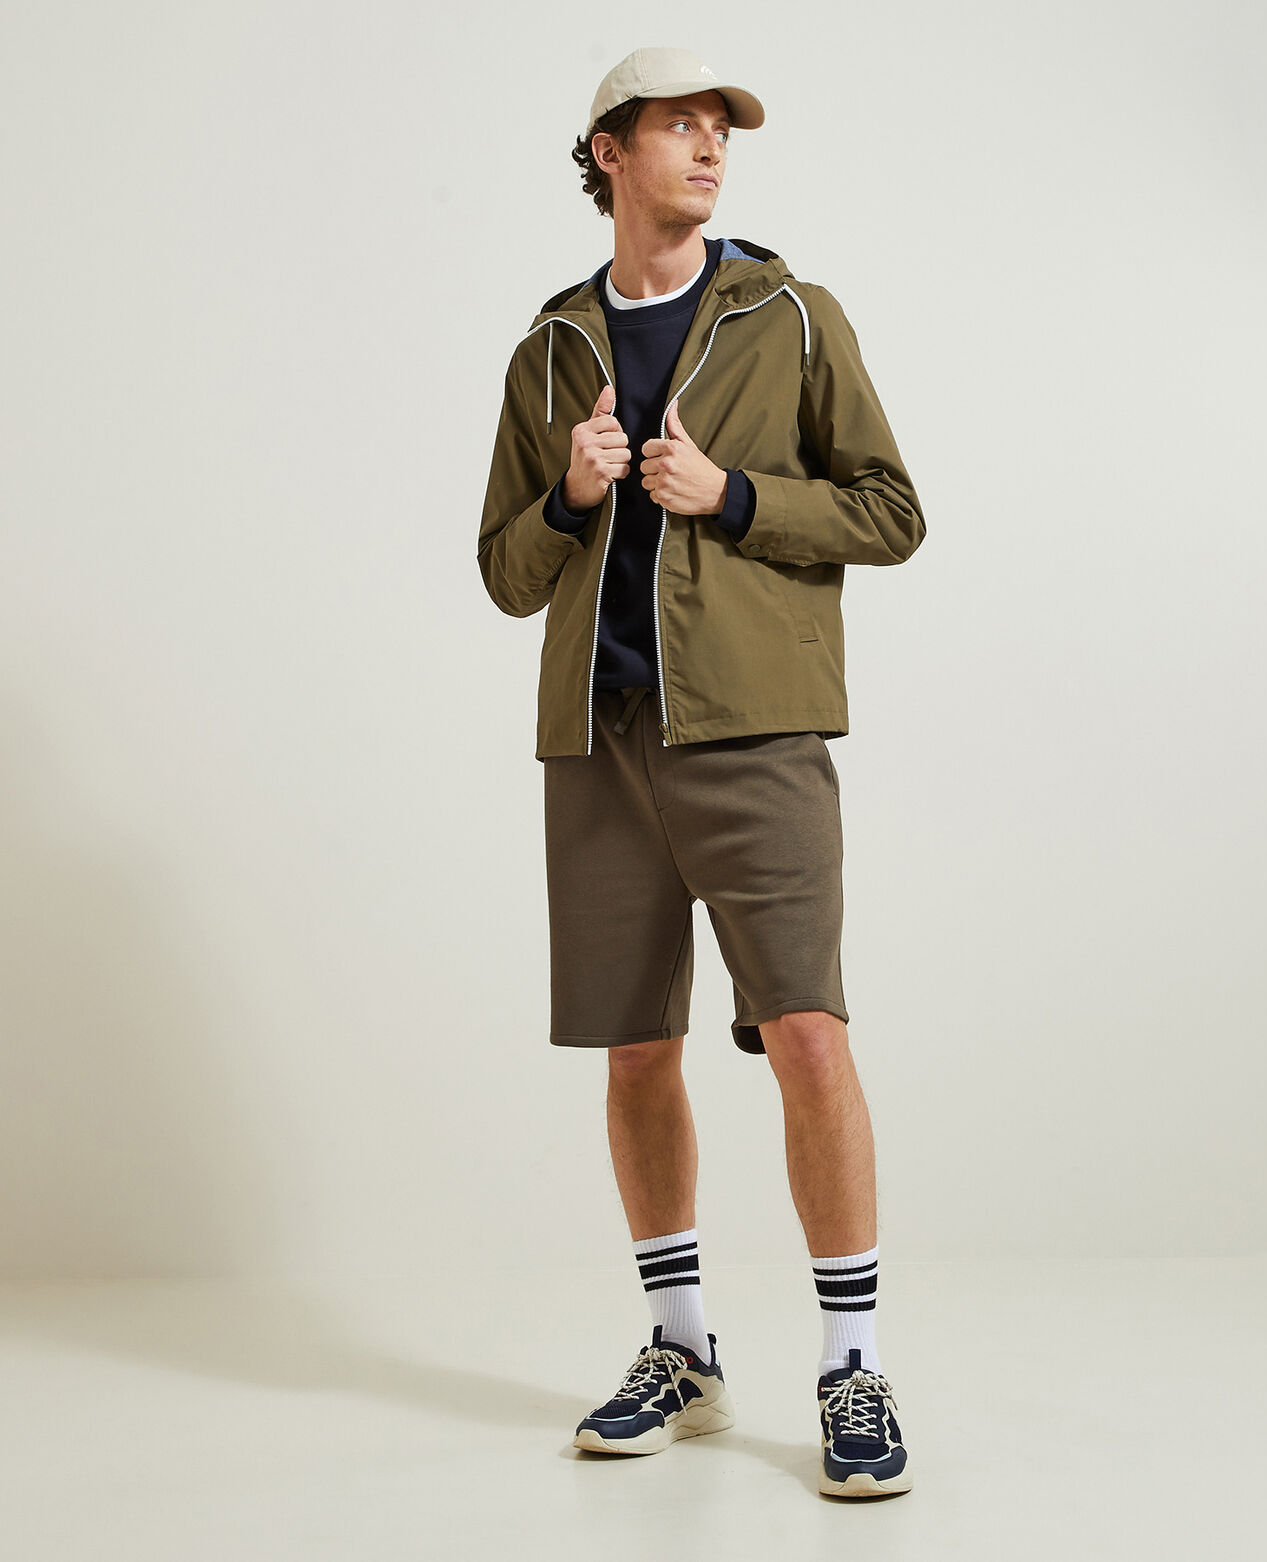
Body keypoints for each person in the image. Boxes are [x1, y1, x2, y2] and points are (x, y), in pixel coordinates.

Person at [476, 46, 925, 1498]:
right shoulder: (551, 348)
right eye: (676, 127)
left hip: (753, 732)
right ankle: (682, 1351)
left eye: (718, 128)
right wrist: (572, 492)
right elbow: (504, 571)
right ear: (606, 153)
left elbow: (891, 510)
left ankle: (852, 1363)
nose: (709, 147)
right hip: (599, 742)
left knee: (806, 1034)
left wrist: (730, 497)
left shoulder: (791, 316)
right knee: (635, 1048)